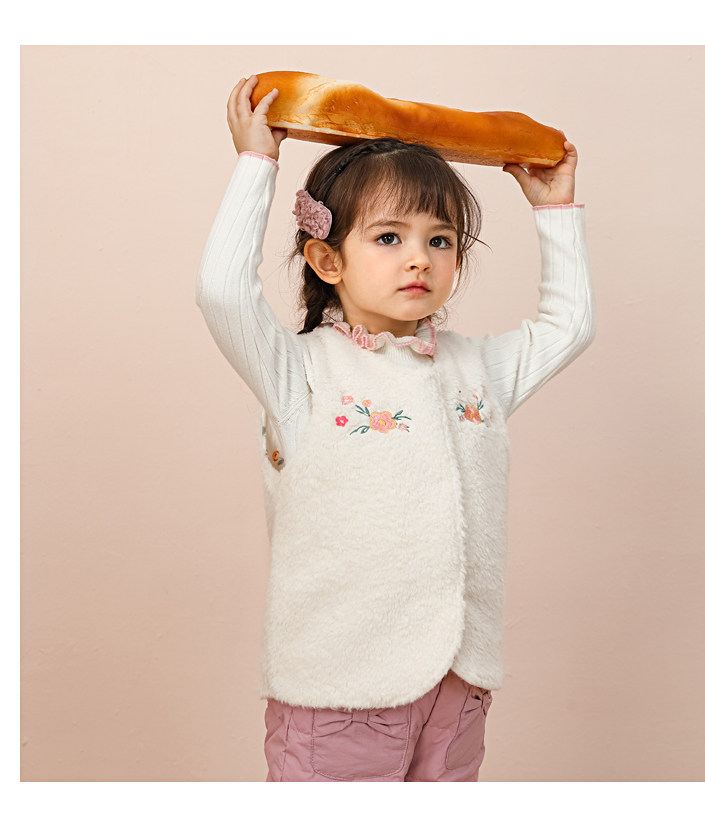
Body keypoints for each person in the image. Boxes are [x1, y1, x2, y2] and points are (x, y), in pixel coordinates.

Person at [196, 75, 596, 782]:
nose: (420, 258)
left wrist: (554, 209)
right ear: (327, 258)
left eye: (440, 240)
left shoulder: (476, 371)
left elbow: (570, 326)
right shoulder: (300, 373)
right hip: (339, 688)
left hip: (457, 687)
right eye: (388, 237)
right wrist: (258, 163)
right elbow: (223, 292)